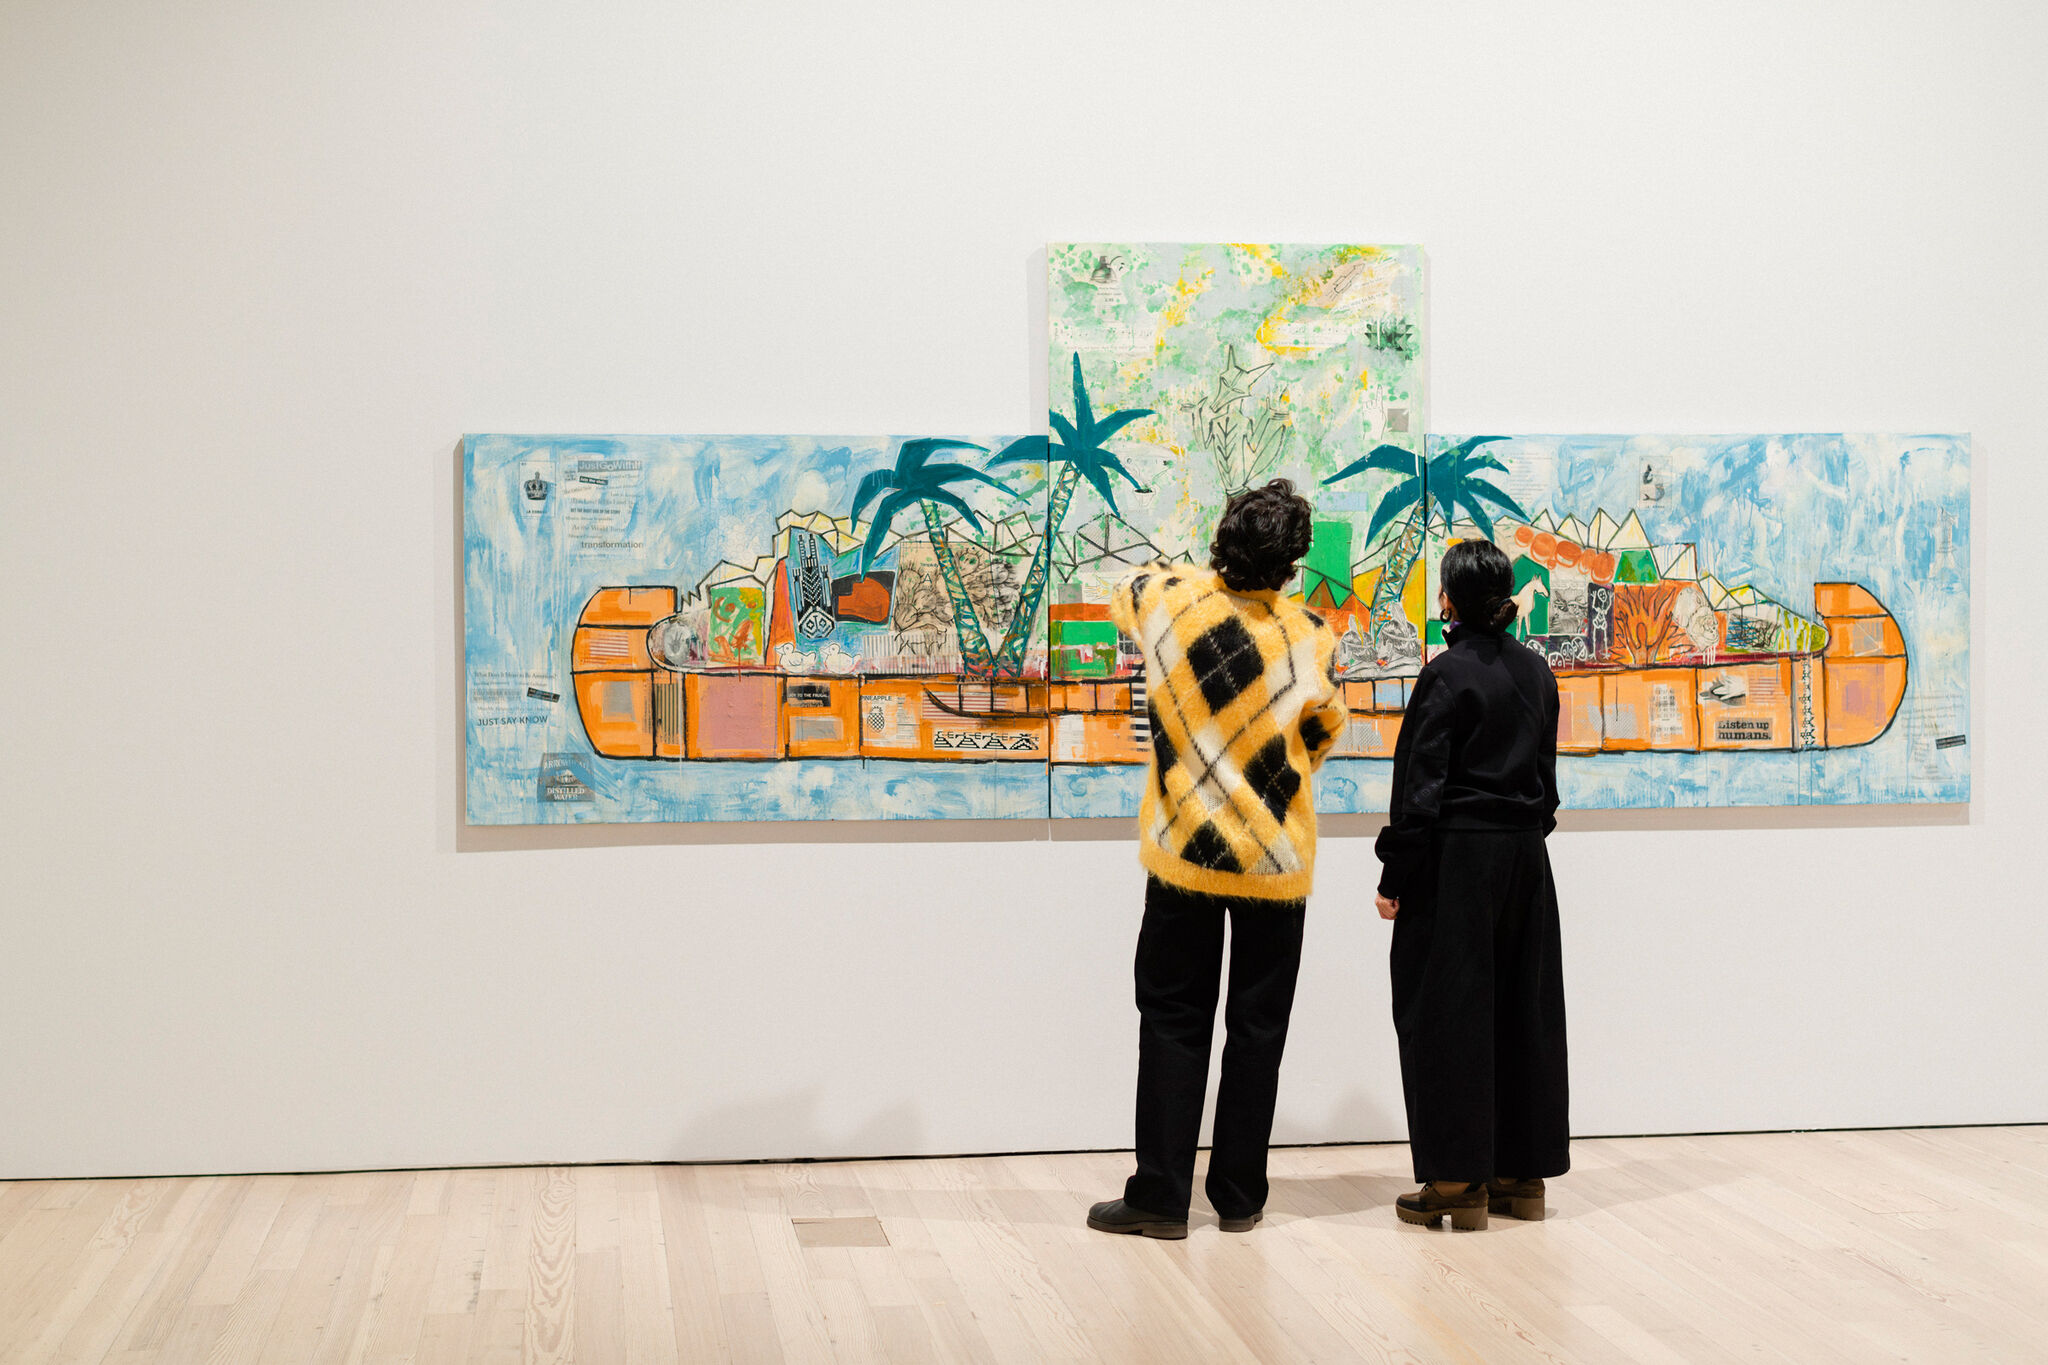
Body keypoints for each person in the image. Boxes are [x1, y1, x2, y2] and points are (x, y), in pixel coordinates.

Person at [1086, 479, 1350, 1240]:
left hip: (1184, 856)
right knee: (1258, 1028)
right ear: (1292, 563)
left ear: (1222, 537)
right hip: (1276, 860)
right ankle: (1239, 1196)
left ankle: (1161, 1196)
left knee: (1172, 1018)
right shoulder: (1309, 635)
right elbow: (1326, 731)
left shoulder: (1167, 603)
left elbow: (1125, 590)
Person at [1374, 538, 1570, 1231]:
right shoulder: (1538, 674)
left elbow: (1420, 787)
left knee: (1446, 1014)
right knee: (1526, 1011)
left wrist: (1396, 873)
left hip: (1456, 861)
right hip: (1524, 860)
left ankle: (1457, 1182)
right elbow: (1547, 786)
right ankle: (1522, 1177)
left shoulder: (1446, 675)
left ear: (1449, 600)